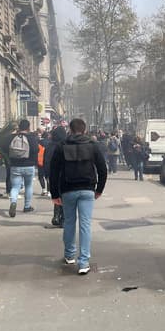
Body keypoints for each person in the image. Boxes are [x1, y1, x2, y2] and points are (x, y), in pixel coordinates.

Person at [49, 118, 107, 275]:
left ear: (70, 129)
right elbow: (102, 168)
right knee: (85, 225)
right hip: (88, 189)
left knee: (69, 222)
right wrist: (99, 189)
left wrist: (54, 193)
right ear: (85, 129)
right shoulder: (92, 145)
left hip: (68, 189)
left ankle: (69, 255)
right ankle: (84, 262)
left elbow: (53, 171)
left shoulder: (62, 146)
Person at [3, 119, 39, 217]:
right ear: (28, 127)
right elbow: (36, 149)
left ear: (19, 127)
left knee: (15, 187)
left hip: (15, 166)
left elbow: (4, 147)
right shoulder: (32, 138)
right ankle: (27, 206)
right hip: (29, 166)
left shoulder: (11, 137)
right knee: (28, 186)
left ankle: (13, 202)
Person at [44, 126, 67, 227]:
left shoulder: (50, 145)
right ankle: (63, 218)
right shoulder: (66, 145)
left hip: (53, 173)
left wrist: (46, 174)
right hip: (65, 174)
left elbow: (46, 160)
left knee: (57, 195)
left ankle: (56, 216)